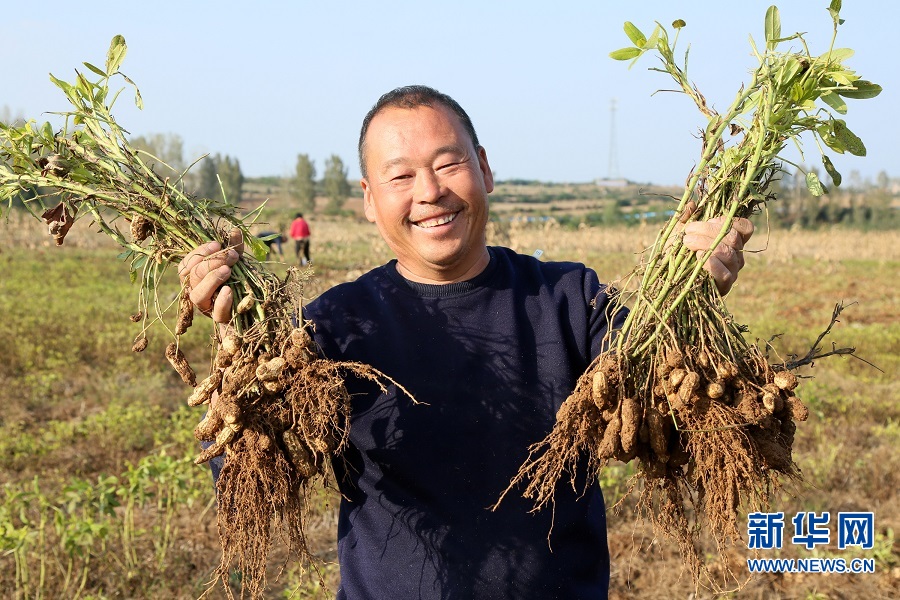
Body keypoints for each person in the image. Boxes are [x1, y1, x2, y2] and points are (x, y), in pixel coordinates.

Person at [179, 85, 753, 600]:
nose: (429, 192)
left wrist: (690, 295)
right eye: (400, 176)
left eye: (449, 164)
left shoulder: (572, 300)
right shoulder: (333, 328)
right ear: (368, 198)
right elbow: (254, 482)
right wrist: (241, 353)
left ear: (484, 169)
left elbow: (670, 398)